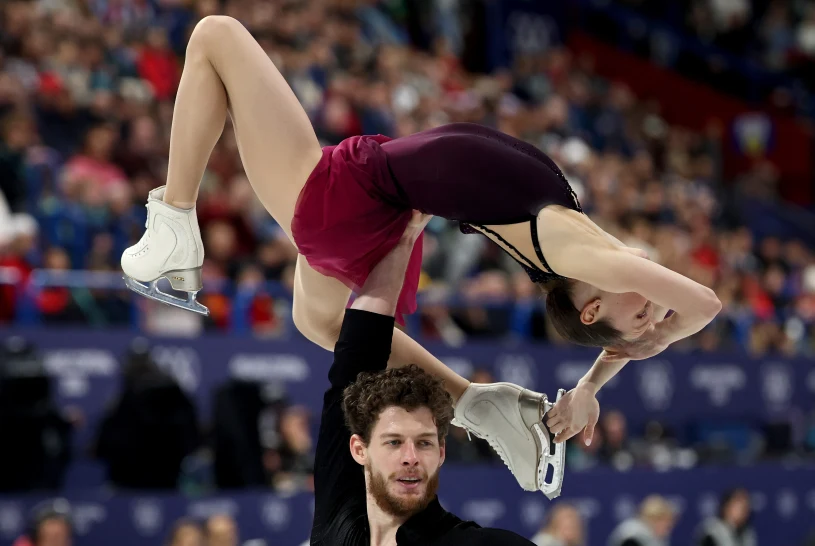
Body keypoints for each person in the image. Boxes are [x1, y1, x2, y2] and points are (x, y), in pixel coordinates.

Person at [120, 15, 720, 490]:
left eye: (644, 311)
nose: (655, 303)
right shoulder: (586, 246)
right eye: (652, 310)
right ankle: (478, 406)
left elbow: (703, 304)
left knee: (215, 36)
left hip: (359, 193)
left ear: (591, 309)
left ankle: (174, 221)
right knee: (317, 319)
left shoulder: (576, 259)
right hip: (383, 203)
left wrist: (649, 340)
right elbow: (651, 315)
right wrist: (593, 383)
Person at [308, 210, 538, 546]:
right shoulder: (338, 519)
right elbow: (356, 358)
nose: (411, 457)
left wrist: (404, 238)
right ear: (359, 450)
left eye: (425, 442)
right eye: (394, 441)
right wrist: (402, 239)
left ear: (442, 452)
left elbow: (360, 347)